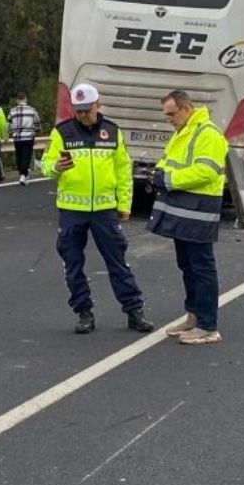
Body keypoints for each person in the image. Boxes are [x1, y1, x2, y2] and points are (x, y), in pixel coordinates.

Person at [42, 83, 154, 335]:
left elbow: (123, 172)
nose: (82, 115)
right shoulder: (62, 132)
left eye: (87, 110)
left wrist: (124, 205)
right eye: (78, 110)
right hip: (72, 209)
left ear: (98, 105)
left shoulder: (112, 132)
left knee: (118, 261)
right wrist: (55, 168)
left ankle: (134, 311)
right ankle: (84, 312)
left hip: (104, 209)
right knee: (72, 263)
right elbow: (46, 165)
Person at [148, 90, 228, 346]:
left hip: (200, 208)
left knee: (201, 266)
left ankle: (208, 325)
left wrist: (168, 180)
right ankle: (194, 316)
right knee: (187, 265)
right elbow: (167, 160)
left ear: (185, 108)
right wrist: (159, 173)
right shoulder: (182, 132)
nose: (168, 119)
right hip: (183, 208)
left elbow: (207, 171)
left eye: (171, 114)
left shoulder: (208, 134)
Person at [8, 94, 41, 185]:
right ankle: (23, 175)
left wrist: (11, 132)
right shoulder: (32, 110)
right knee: (26, 155)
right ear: (25, 99)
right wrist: (37, 130)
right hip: (28, 136)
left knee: (19, 155)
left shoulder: (12, 111)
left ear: (17, 100)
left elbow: (9, 124)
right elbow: (37, 122)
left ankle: (22, 173)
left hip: (17, 137)